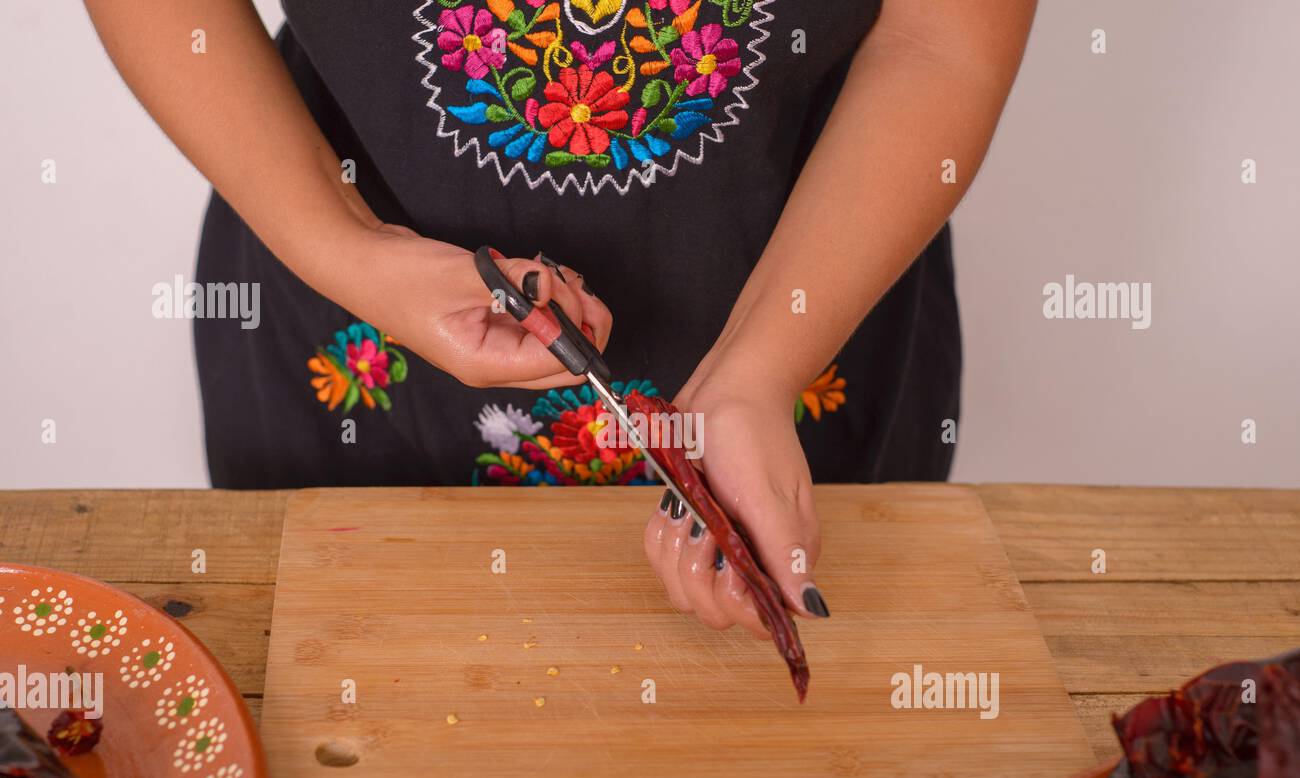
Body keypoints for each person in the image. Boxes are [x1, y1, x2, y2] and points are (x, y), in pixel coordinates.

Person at [87, 0, 1035, 639]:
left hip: (809, 370)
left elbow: (936, 36)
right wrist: (347, 249)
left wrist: (763, 367)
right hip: (353, 378)